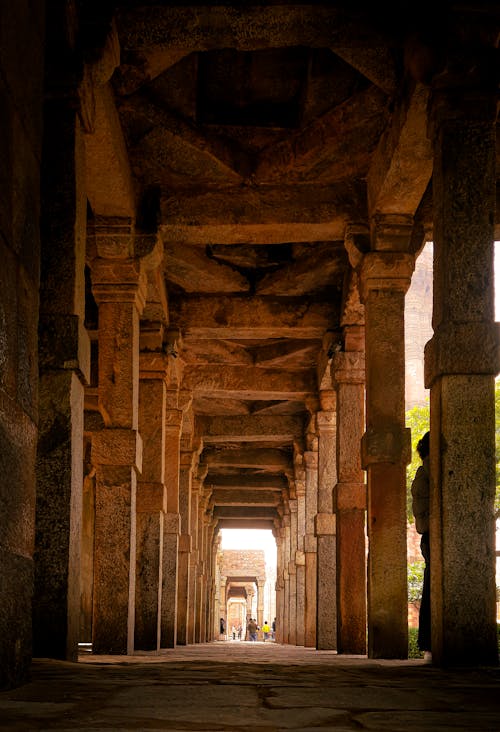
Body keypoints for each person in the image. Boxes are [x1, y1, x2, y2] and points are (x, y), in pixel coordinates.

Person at [411, 430, 431, 661]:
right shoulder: (426, 475)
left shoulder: (424, 474)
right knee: (431, 589)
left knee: (431, 589)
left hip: (430, 537)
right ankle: (429, 643)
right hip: (432, 536)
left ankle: (429, 643)